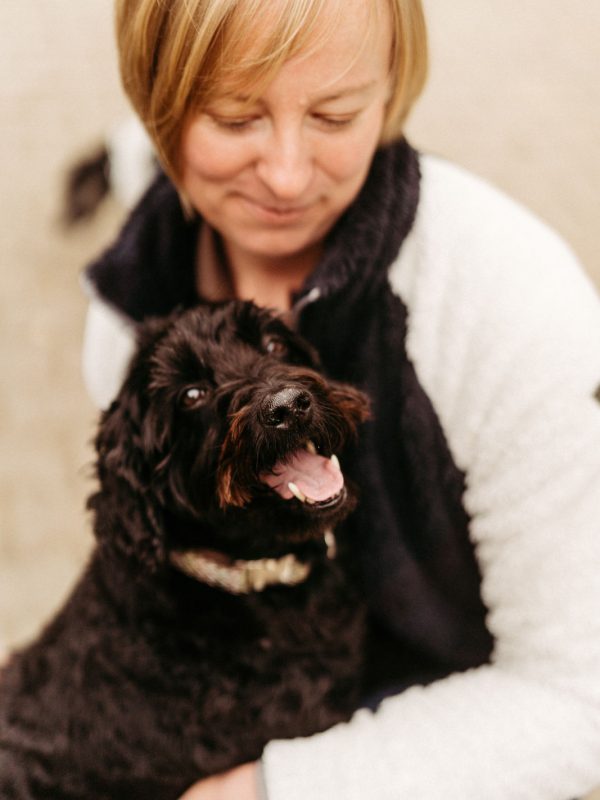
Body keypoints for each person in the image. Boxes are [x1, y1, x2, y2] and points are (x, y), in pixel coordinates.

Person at [81, 0, 600, 797]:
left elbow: (580, 700)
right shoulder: (124, 326)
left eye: (335, 114)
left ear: (392, 95)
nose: (287, 176)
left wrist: (270, 789)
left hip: (468, 715)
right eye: (234, 116)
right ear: (158, 105)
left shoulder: (514, 308)